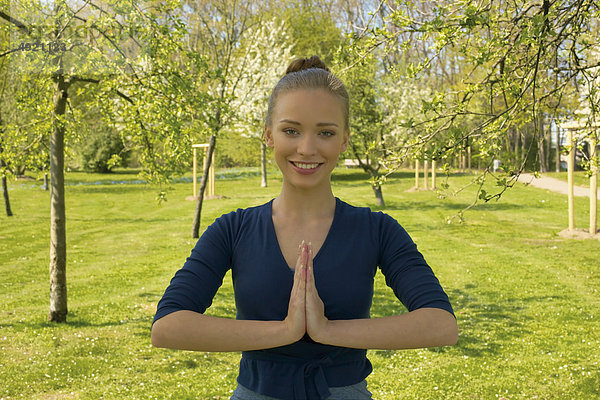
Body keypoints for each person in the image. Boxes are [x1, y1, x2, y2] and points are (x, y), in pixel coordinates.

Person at [151, 55, 458, 400]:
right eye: (291, 130)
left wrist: (327, 330)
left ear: (344, 140)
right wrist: (285, 331)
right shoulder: (232, 230)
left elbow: (440, 324)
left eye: (325, 132)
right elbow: (168, 326)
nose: (307, 148)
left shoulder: (377, 230)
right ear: (269, 135)